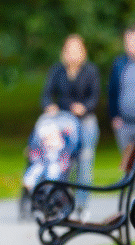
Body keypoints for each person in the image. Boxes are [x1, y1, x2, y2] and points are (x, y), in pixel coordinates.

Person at [40, 34, 100, 216]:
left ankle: (83, 204)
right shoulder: (57, 71)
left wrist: (83, 107)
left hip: (85, 122)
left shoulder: (90, 71)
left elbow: (95, 98)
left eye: (76, 49)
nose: (72, 54)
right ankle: (63, 203)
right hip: (64, 122)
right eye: (69, 49)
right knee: (63, 163)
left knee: (84, 162)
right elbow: (46, 95)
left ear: (83, 52)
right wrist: (49, 106)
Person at [108, 26, 135, 170]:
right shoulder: (120, 64)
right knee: (128, 166)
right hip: (124, 124)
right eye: (128, 42)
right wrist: (114, 116)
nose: (131, 46)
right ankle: (132, 192)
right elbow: (112, 91)